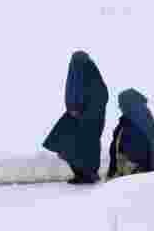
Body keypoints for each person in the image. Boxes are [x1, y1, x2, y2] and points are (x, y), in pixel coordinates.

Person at [43, 51, 108, 184]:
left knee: (86, 147)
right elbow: (73, 92)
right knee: (64, 143)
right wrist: (74, 110)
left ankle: (89, 175)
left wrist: (83, 112)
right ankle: (81, 174)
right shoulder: (79, 73)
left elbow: (100, 99)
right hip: (76, 115)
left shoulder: (93, 78)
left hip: (90, 120)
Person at [107, 88, 154, 179]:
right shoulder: (130, 119)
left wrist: (126, 172)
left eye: (122, 104)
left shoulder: (139, 121)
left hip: (134, 175)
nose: (120, 107)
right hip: (130, 172)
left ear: (129, 103)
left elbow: (137, 151)